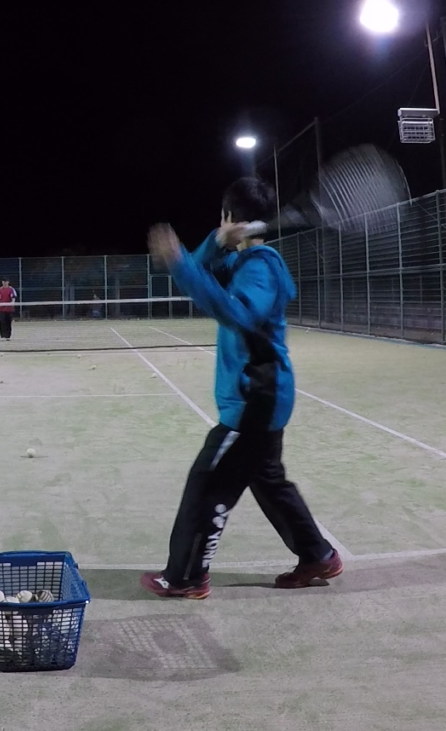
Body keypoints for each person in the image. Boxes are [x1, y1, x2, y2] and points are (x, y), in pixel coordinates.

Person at [140, 176, 342, 600]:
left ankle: (186, 576)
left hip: (255, 398)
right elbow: (202, 272)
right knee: (268, 480)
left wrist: (180, 261)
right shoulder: (244, 262)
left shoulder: (261, 266)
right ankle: (317, 555)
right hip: (263, 395)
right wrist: (215, 242)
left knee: (208, 484)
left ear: (230, 214)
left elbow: (238, 313)